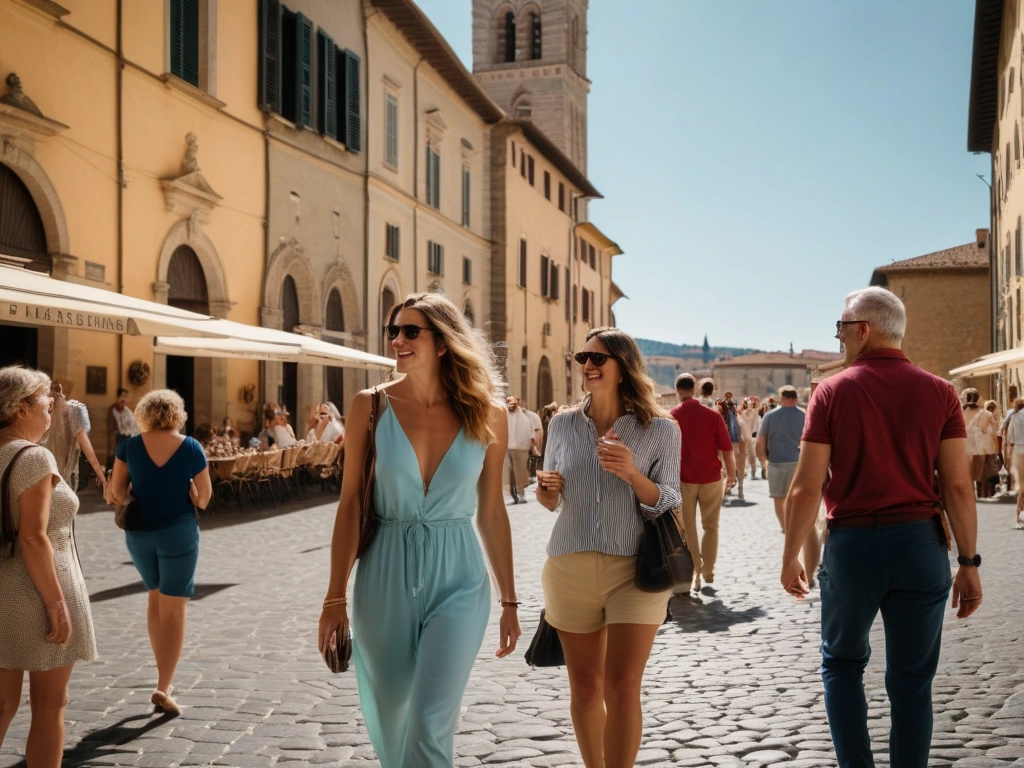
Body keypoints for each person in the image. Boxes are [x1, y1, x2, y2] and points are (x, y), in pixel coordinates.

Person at [781, 287, 983, 768]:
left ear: (863, 330)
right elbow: (957, 486)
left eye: (841, 330)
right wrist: (969, 563)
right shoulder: (940, 392)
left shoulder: (831, 391)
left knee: (843, 666)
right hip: (919, 544)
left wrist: (790, 554)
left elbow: (806, 487)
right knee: (912, 681)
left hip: (852, 547)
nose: (840, 339)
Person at [318, 292, 520, 768]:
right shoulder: (369, 406)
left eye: (411, 331)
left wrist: (510, 600)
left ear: (444, 342)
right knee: (395, 726)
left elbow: (492, 511)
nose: (398, 340)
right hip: (383, 576)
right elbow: (349, 505)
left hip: (460, 579)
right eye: (394, 330)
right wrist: (333, 598)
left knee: (429, 725)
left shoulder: (488, 414)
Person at [535, 328, 681, 768]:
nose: (588, 366)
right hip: (569, 567)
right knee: (585, 688)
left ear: (623, 367)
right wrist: (546, 492)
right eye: (583, 357)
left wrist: (633, 475)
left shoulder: (661, 429)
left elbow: (670, 499)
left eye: (599, 358)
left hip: (635, 572)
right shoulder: (560, 423)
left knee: (621, 687)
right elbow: (549, 498)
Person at [0, 366, 97, 768]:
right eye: (46, 400)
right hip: (36, 593)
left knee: (2, 704)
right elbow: (34, 536)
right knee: (49, 704)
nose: (53, 407)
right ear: (21, 407)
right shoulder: (34, 456)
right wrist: (58, 605)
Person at [105, 389, 213, 716]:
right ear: (177, 414)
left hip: (139, 534)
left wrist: (137, 494)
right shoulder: (192, 447)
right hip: (177, 532)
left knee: (154, 597)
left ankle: (162, 671)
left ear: (143, 414)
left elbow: (117, 493)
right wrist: (190, 492)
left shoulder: (129, 447)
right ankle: (164, 686)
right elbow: (204, 499)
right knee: (174, 608)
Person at [670, 373, 736, 594]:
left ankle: (695, 570)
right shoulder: (712, 416)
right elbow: (727, 449)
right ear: (695, 389)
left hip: (684, 479)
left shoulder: (671, 417)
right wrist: (733, 476)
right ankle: (708, 570)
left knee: (688, 529)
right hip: (711, 478)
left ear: (677, 390)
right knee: (711, 526)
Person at [756, 385, 818, 578]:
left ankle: (787, 530)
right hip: (799, 464)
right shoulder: (805, 415)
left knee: (779, 499)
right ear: (795, 397)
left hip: (776, 463)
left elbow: (760, 442)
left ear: (782, 398)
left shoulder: (770, 416)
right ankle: (807, 562)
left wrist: (763, 462)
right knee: (804, 511)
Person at [46, 383, 106, 494]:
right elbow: (85, 445)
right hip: (60, 472)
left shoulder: (71, 411)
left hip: (59, 471)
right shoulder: (73, 410)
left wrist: (102, 478)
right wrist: (102, 478)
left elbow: (85, 445)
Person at [962, 388, 998, 498]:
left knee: (967, 474)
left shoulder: (959, 413)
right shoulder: (986, 414)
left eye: (963, 397)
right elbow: (995, 431)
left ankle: (971, 494)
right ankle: (980, 493)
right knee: (979, 473)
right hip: (981, 446)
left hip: (965, 446)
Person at [505, 395, 533, 504]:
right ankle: (513, 495)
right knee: (509, 474)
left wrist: (529, 446)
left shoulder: (523, 416)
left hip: (520, 448)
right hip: (506, 447)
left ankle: (521, 493)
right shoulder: (504, 415)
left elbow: (528, 431)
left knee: (520, 472)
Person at [106, 387, 139, 467]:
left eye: (125, 397)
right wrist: (111, 447)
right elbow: (110, 431)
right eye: (122, 397)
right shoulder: (112, 411)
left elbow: (134, 427)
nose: (123, 399)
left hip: (128, 439)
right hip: (118, 439)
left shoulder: (128, 412)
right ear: (117, 397)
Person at [1005, 398, 1024, 528]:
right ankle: (1019, 514)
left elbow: (1009, 437)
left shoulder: (1013, 416)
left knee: (1022, 485)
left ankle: (1018, 514)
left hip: (1018, 451)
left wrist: (1007, 456)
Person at [722, 391, 744, 500]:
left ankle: (736, 486)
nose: (728, 398)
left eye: (729, 396)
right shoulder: (722, 405)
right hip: (726, 436)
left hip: (734, 437)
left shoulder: (733, 407)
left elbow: (734, 419)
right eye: (727, 396)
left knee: (736, 463)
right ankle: (727, 487)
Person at [738, 399, 761, 480]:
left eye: (751, 404)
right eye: (748, 404)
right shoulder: (743, 413)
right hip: (743, 436)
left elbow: (756, 425)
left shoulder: (755, 413)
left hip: (751, 437)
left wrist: (755, 435)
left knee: (752, 455)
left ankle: (753, 471)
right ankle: (744, 471)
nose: (749, 406)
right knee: (743, 454)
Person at [525, 406, 543, 479]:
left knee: (532, 459)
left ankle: (532, 473)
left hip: (531, 444)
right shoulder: (534, 418)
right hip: (531, 444)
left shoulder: (532, 418)